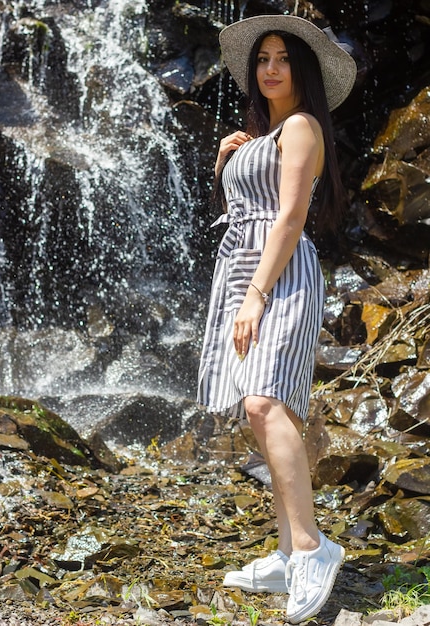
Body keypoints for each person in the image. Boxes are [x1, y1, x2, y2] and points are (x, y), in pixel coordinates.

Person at [197, 14, 357, 625]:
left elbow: (289, 216)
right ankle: (289, 551)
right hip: (244, 269)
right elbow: (246, 208)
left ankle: (315, 549)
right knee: (263, 413)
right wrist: (226, 158)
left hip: (279, 273)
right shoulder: (262, 135)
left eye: (282, 59)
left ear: (303, 69)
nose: (269, 68)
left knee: (265, 404)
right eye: (262, 59)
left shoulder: (303, 126)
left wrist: (258, 293)